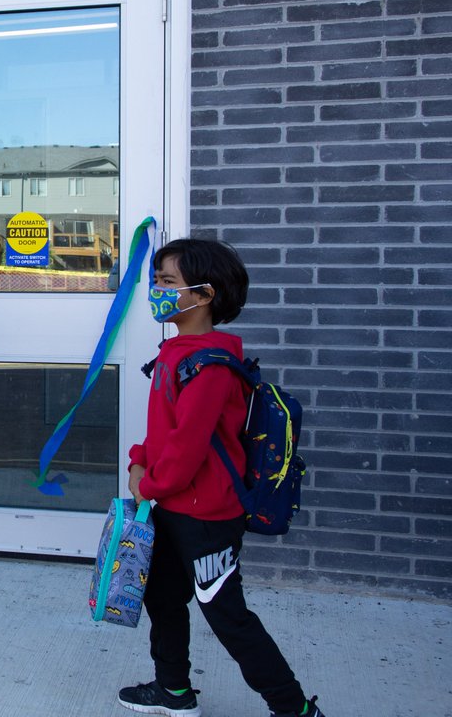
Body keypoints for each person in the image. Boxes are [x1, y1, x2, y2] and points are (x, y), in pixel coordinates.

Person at [120, 238, 325, 717]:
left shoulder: (210, 364)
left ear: (204, 294)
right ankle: (173, 690)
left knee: (227, 615)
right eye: (156, 281)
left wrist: (148, 484)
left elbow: (189, 447)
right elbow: (165, 430)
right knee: (163, 598)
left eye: (167, 282)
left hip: (207, 516)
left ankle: (293, 707)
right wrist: (139, 460)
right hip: (171, 507)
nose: (156, 291)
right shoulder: (176, 351)